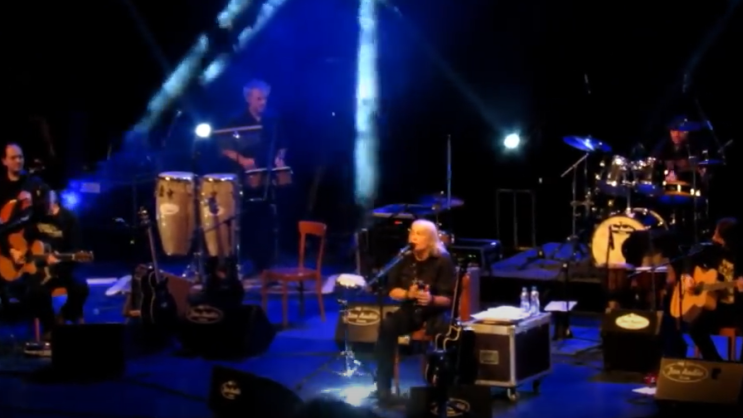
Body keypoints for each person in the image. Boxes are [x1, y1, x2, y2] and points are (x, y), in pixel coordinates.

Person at [374, 219, 456, 403]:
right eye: (412, 232)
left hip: (435, 311)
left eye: (419, 234)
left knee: (444, 334)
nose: (414, 237)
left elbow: (449, 299)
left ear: (430, 239)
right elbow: (392, 290)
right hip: (411, 309)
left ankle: (440, 389)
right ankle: (383, 388)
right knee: (386, 326)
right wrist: (407, 294)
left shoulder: (443, 260)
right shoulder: (403, 257)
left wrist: (431, 299)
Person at [211, 80, 287, 277]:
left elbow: (281, 145)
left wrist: (280, 158)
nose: (263, 102)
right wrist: (243, 160)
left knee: (268, 217)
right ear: (248, 99)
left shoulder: (272, 120)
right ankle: (248, 260)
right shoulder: (236, 120)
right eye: (259, 99)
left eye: (265, 99)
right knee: (249, 218)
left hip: (267, 174)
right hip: (244, 177)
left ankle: (266, 264)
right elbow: (223, 148)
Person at [21, 189, 89, 356]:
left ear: (54, 201)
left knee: (81, 288)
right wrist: (19, 251)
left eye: (47, 204)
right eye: (42, 205)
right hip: (39, 269)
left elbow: (75, 249)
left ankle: (64, 316)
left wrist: (60, 258)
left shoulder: (69, 218)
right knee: (35, 292)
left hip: (63, 268)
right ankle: (50, 327)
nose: (45, 208)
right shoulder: (36, 216)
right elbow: (25, 238)